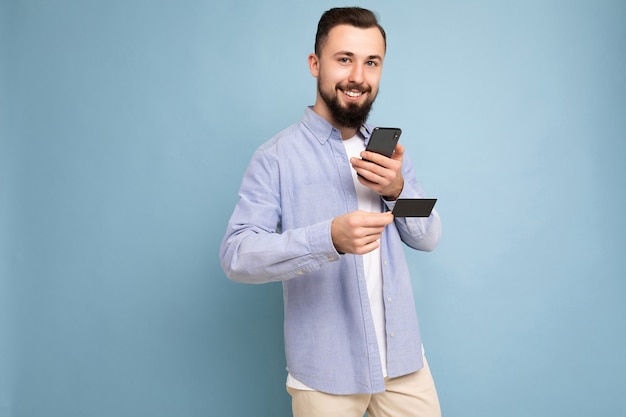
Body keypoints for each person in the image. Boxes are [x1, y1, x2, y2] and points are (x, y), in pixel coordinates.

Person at [220, 7, 442, 417]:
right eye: (345, 59)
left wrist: (397, 189)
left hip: (403, 362)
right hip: (326, 373)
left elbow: (429, 236)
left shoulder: (387, 151)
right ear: (315, 64)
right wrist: (328, 239)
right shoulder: (275, 158)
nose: (358, 76)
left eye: (371, 62)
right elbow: (236, 255)